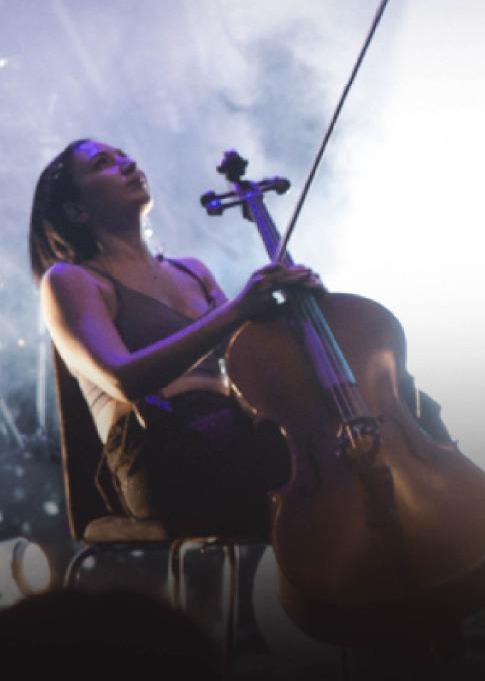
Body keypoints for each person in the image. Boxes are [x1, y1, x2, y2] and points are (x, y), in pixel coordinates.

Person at [29, 138, 318, 535]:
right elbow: (124, 380)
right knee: (273, 464)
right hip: (156, 445)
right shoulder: (71, 280)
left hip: (231, 427)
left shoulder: (192, 271)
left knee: (320, 444)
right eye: (102, 163)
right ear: (77, 210)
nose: (127, 162)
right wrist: (237, 310)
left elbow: (250, 361)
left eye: (123, 155)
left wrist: (297, 308)